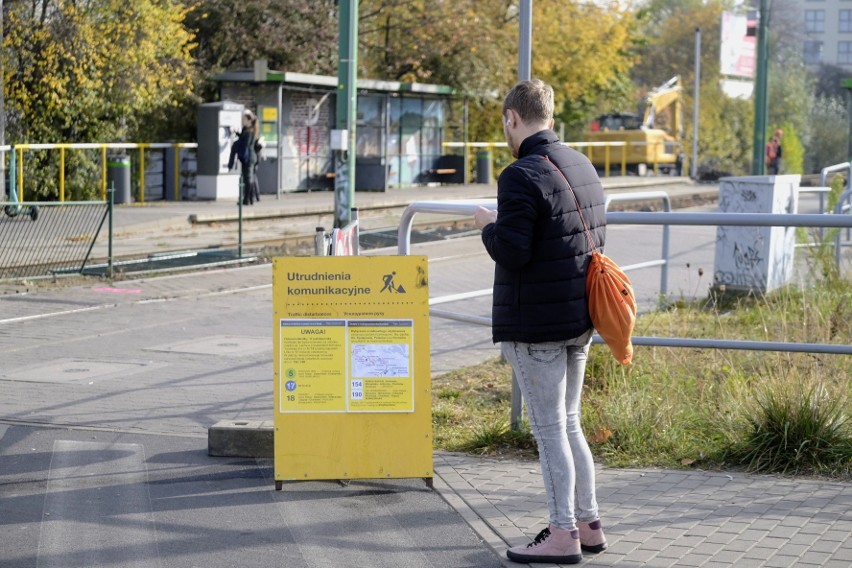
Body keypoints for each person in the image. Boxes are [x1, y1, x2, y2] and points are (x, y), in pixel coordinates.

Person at [474, 79, 607, 565]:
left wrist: (487, 225)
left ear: (513, 117)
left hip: (538, 326)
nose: (505, 132)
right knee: (570, 424)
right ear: (549, 115)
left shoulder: (519, 174)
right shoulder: (581, 164)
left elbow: (512, 249)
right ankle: (589, 524)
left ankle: (561, 533)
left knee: (550, 431)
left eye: (504, 124)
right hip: (579, 319)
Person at [228, 109, 259, 205]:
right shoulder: (248, 130)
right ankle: (249, 199)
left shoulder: (250, 131)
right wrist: (237, 133)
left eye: (244, 119)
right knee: (247, 178)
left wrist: (237, 143)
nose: (242, 121)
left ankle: (247, 199)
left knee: (248, 178)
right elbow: (243, 138)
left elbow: (246, 143)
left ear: (249, 120)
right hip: (248, 156)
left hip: (249, 157)